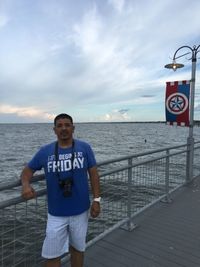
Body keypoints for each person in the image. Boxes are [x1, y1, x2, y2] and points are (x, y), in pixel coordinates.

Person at [21, 113, 101, 267]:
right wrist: (25, 185)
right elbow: (27, 171)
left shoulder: (84, 148)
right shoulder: (45, 151)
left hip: (80, 211)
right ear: (54, 130)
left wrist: (97, 200)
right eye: (60, 126)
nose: (64, 128)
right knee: (51, 256)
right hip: (56, 214)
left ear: (73, 128)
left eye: (67, 125)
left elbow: (94, 174)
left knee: (77, 249)